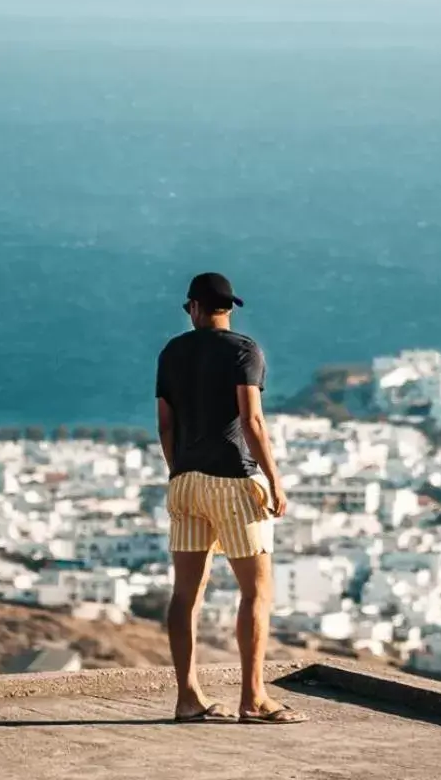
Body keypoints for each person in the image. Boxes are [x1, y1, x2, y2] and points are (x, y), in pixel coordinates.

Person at [155, 272, 306, 724]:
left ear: (194, 308)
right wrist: (275, 482)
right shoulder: (245, 350)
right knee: (256, 591)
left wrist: (177, 469)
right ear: (229, 308)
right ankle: (253, 698)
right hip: (234, 482)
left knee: (185, 594)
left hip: (185, 481)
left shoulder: (172, 352)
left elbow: (166, 423)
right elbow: (251, 422)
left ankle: (188, 697)